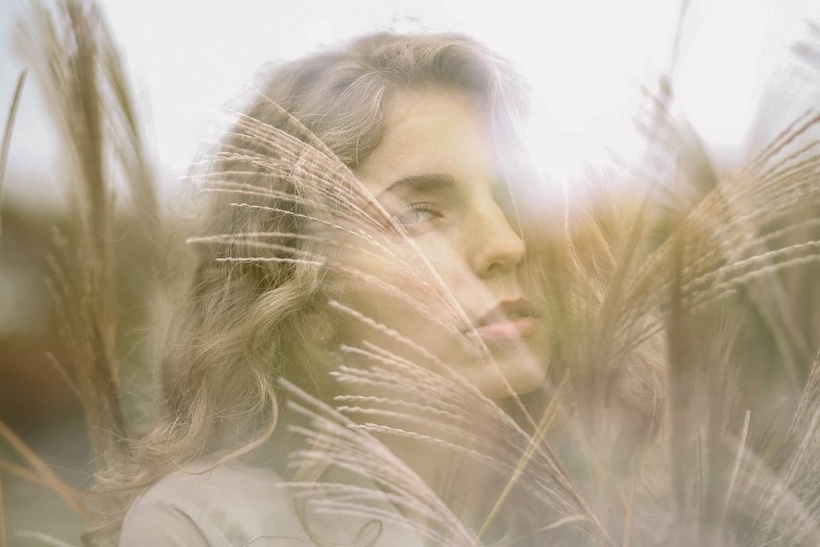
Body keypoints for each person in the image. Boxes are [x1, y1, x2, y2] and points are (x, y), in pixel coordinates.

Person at [87, 32, 662, 547]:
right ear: (298, 287)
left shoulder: (624, 499)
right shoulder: (202, 528)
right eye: (417, 214)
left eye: (510, 198)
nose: (507, 244)